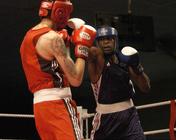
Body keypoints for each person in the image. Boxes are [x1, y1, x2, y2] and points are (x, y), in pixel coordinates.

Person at [20, 0, 96, 139]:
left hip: (40, 107)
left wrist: (66, 44)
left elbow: (51, 67)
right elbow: (76, 79)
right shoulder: (53, 39)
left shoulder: (28, 37)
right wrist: (82, 48)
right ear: (60, 11)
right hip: (58, 104)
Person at [88, 26, 151, 140]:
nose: (106, 42)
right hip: (106, 120)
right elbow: (92, 51)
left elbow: (145, 88)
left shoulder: (124, 61)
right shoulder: (97, 61)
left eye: (109, 39)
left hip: (129, 117)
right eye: (102, 39)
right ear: (97, 42)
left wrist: (137, 67)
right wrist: (86, 36)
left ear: (116, 41)